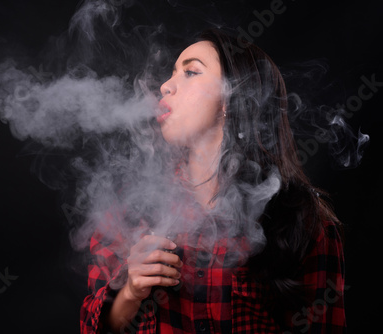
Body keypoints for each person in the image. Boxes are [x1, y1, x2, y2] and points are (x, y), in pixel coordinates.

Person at [80, 28, 346, 333]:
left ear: (231, 99)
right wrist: (129, 291)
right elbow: (91, 327)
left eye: (191, 72)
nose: (166, 86)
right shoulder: (126, 211)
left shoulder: (302, 219)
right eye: (171, 74)